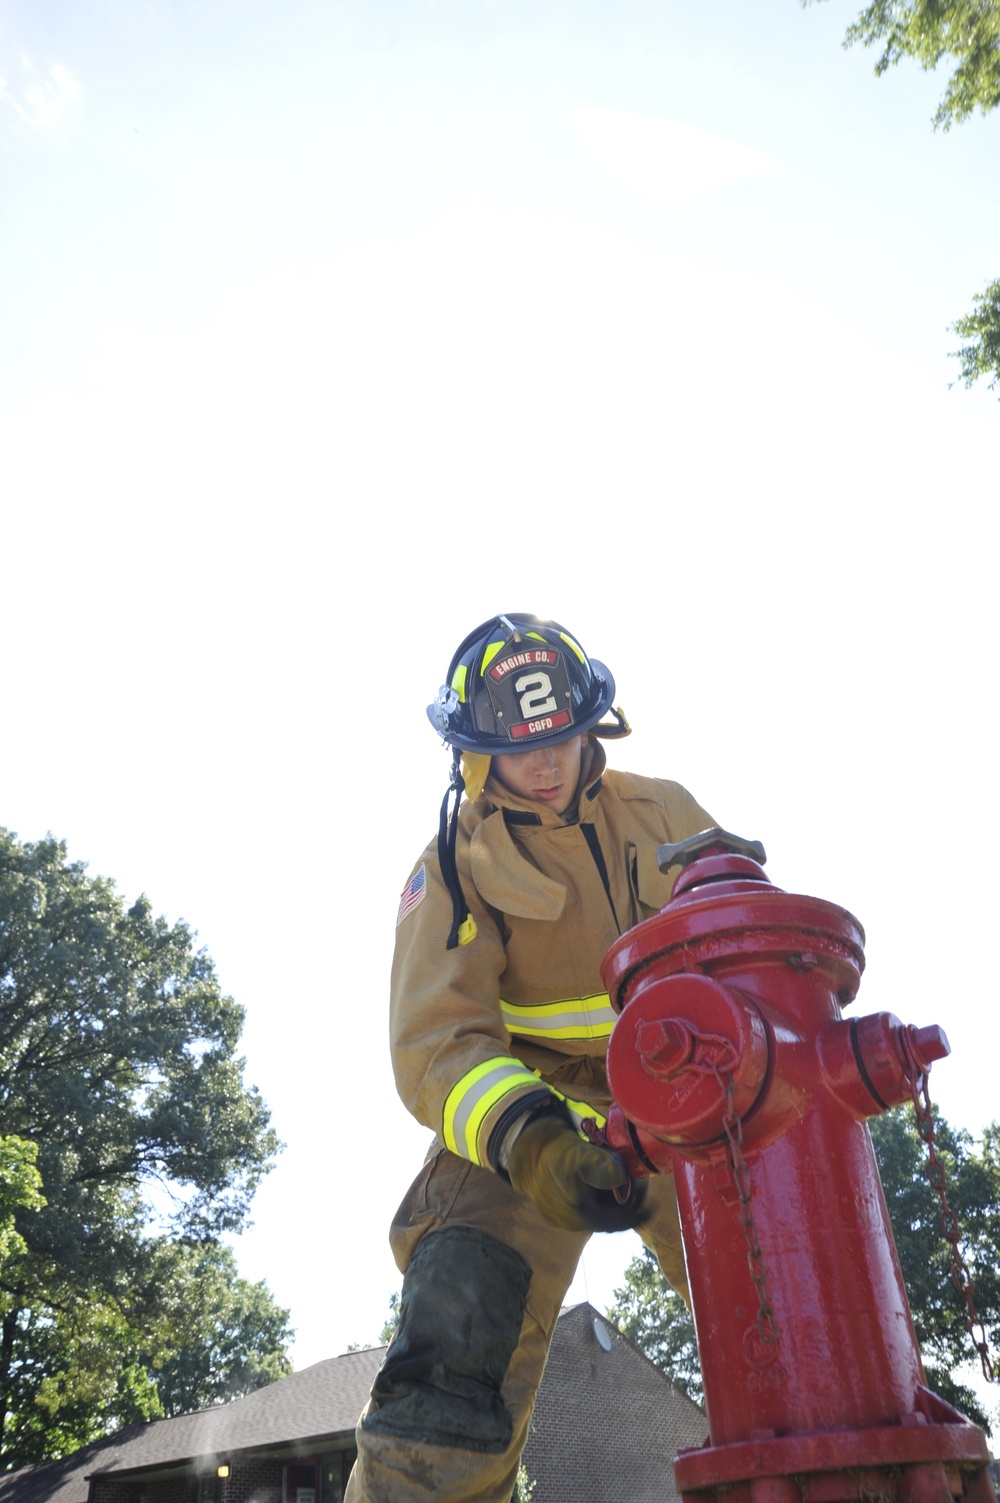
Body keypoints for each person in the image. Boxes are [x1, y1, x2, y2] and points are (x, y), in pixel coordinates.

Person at [345, 613, 713, 1503]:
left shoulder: (663, 810)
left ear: (592, 722)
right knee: (459, 1329)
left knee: (799, 1291)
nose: (547, 760)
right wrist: (538, 1147)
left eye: (560, 734)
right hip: (528, 1119)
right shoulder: (451, 869)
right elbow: (439, 1044)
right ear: (475, 754)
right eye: (519, 746)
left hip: (690, 1095)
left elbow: (741, 945)